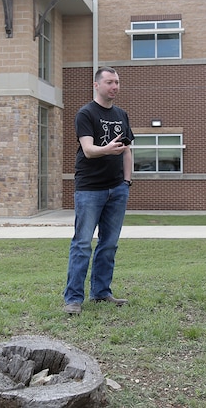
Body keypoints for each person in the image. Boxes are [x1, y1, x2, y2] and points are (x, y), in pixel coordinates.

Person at [64, 66, 134, 315]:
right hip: (90, 190)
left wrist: (126, 182)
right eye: (109, 82)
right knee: (82, 244)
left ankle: (101, 293)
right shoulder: (85, 113)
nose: (114, 86)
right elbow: (89, 150)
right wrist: (108, 149)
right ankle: (73, 299)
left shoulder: (121, 114)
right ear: (97, 85)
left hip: (117, 189)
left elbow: (127, 150)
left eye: (117, 82)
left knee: (109, 245)